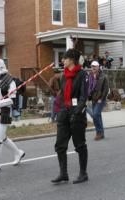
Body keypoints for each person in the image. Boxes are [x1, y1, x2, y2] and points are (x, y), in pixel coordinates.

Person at [51, 49, 89, 184]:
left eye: (64, 58)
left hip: (77, 114)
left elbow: (84, 97)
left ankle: (83, 173)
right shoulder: (63, 76)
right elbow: (61, 95)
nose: (62, 61)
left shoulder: (83, 74)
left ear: (72, 59)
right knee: (60, 145)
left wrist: (77, 112)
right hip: (64, 113)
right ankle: (63, 173)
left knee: (79, 145)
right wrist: (59, 110)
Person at [88, 61, 109, 141]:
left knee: (95, 114)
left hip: (100, 99)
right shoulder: (90, 75)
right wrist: (88, 97)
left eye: (95, 66)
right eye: (92, 66)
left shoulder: (104, 76)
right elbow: (89, 87)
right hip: (93, 98)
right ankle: (102, 134)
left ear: (98, 67)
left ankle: (98, 132)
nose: (93, 68)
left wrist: (102, 98)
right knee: (98, 116)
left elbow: (106, 89)